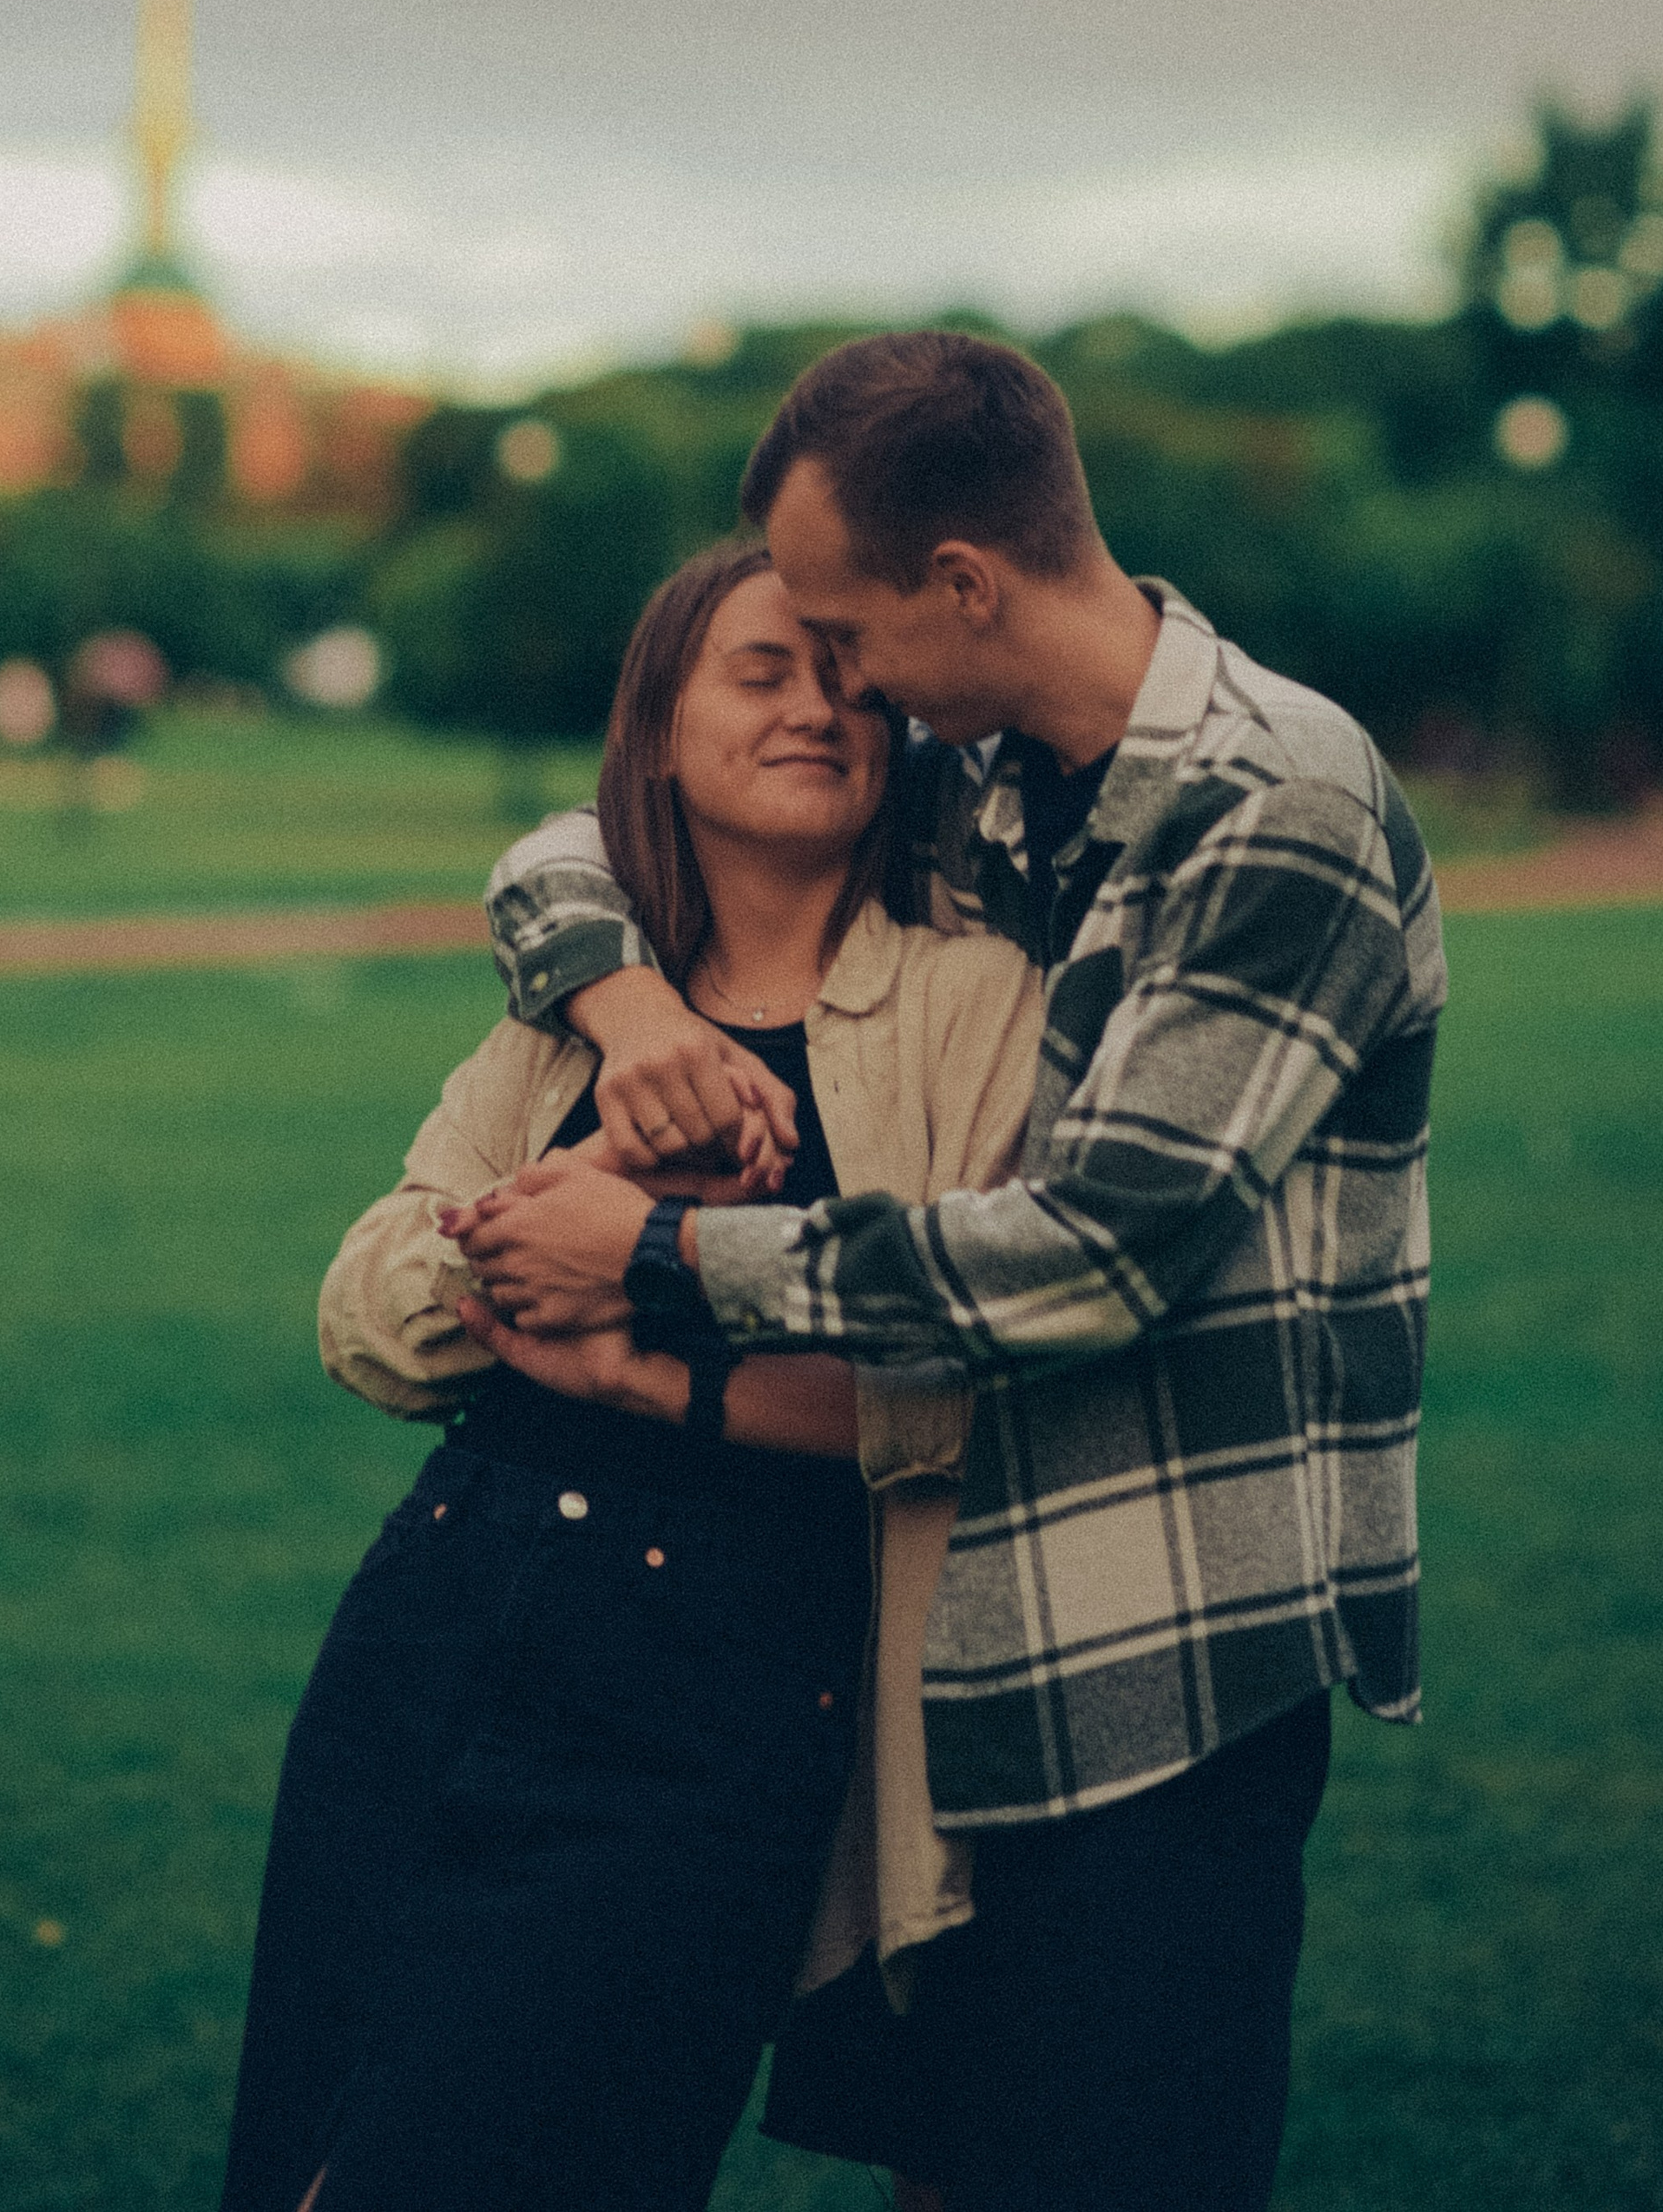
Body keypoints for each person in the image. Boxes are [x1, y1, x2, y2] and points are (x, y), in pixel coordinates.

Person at [458, 329, 1445, 2212]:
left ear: (965, 585)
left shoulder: (1278, 805)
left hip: (1162, 1661)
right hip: (949, 1636)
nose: (846, 688)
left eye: (848, 636)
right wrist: (633, 1006)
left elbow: (1095, 1255)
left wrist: (660, 1259)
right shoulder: (993, 780)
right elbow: (574, 841)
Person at [217, 536, 1042, 2212]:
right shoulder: (580, 1013)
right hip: (438, 1625)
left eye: (846, 677)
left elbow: (978, 1391)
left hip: (724, 1697)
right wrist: (593, 1170)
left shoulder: (974, 1006)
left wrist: (634, 1344)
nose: (815, 706)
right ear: (662, 732)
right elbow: (365, 1318)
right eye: (761, 672)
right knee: (308, 2159)